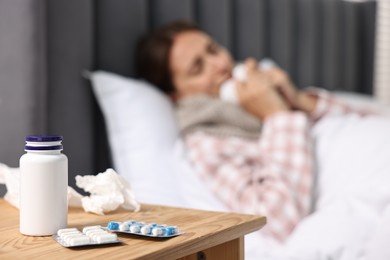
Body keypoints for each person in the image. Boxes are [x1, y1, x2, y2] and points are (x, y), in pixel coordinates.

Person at [135, 20, 390, 251]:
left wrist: (300, 100)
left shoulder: (265, 94)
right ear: (176, 95)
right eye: (198, 68)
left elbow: (374, 116)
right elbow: (275, 219)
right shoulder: (207, 143)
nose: (221, 64)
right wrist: (277, 116)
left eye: (213, 49)